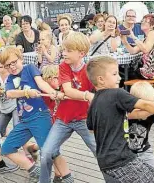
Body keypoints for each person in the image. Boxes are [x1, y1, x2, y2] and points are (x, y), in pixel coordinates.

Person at [86, 55, 154, 183]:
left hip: (104, 162)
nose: (119, 77)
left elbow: (91, 128)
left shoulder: (94, 102)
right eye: (115, 74)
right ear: (101, 79)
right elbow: (147, 105)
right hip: (121, 159)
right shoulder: (116, 94)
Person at [0, 47, 63, 182]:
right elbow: (10, 93)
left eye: (13, 62)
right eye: (7, 66)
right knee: (6, 148)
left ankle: (61, 175)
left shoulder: (30, 68)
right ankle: (34, 170)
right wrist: (27, 92)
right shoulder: (10, 78)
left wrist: (52, 92)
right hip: (24, 120)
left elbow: (41, 83)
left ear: (20, 58)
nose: (11, 67)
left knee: (48, 151)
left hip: (39, 115)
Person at [40, 32, 97, 183]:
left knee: (101, 152)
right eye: (63, 50)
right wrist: (87, 96)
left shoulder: (90, 70)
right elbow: (69, 90)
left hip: (84, 119)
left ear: (81, 53)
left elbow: (101, 90)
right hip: (63, 119)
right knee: (46, 152)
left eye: (68, 51)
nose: (64, 53)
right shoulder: (63, 66)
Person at [121, 14, 154, 80]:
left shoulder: (153, 33)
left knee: (126, 74)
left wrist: (133, 36)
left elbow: (146, 49)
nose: (142, 22)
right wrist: (124, 40)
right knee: (125, 73)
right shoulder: (146, 38)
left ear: (152, 26)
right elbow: (133, 51)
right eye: (142, 21)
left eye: (145, 21)